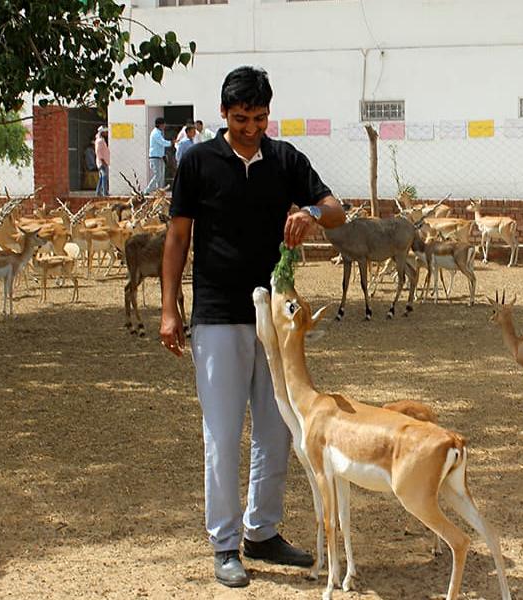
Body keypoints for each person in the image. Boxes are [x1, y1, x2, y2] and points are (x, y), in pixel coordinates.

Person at [159, 66, 345, 589]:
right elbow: (177, 238)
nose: (250, 128)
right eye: (241, 118)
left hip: (275, 319)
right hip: (217, 312)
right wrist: (170, 308)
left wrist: (309, 211)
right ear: (223, 114)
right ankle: (224, 544)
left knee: (277, 428)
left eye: (259, 118)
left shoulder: (285, 159)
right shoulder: (196, 161)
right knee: (221, 434)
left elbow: (338, 211)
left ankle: (261, 531)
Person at [145, 117, 172, 194]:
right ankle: (147, 191)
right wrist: (171, 143)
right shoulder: (156, 133)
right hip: (155, 157)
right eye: (164, 124)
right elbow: (162, 142)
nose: (165, 125)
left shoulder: (159, 132)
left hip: (160, 157)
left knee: (161, 176)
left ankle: (160, 191)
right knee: (157, 175)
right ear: (160, 125)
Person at [95, 126, 110, 197]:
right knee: (104, 177)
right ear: (103, 132)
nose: (107, 133)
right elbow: (98, 152)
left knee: (101, 177)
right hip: (102, 162)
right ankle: (105, 192)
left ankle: (98, 192)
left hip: (103, 161)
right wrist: (102, 160)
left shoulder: (101, 140)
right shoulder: (100, 141)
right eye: (106, 132)